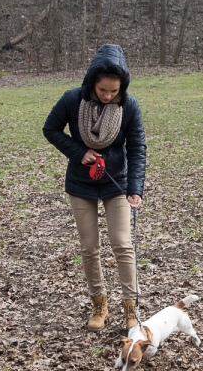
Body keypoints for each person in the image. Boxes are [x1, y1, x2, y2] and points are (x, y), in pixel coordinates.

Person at [43, 44, 146, 333]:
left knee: (122, 244)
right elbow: (50, 129)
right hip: (81, 183)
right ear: (92, 82)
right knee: (89, 248)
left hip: (117, 183)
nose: (108, 95)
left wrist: (135, 187)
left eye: (114, 91)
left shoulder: (130, 105)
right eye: (103, 90)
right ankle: (99, 305)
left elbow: (137, 148)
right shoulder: (72, 99)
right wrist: (79, 152)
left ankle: (130, 309)